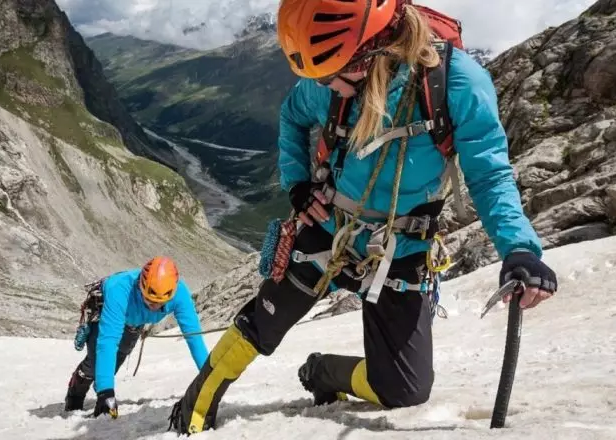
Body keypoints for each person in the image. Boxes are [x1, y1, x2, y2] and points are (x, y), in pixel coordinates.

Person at [167, 0, 558, 434]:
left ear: (376, 50)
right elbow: (293, 115)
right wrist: (298, 186)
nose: (326, 86)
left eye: (334, 74)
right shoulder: (335, 78)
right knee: (264, 322)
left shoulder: (455, 84)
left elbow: (489, 174)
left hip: (402, 249)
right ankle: (195, 404)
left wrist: (519, 248)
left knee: (405, 389)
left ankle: (323, 373)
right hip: (330, 231)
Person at [64, 256, 209, 418]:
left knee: (120, 355)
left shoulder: (180, 294)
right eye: (149, 300)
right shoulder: (119, 289)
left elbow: (194, 337)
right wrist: (106, 393)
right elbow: (108, 342)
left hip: (134, 321)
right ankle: (75, 393)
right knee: (95, 360)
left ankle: (101, 382)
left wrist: (209, 378)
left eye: (159, 303)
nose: (153, 307)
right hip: (106, 309)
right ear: (140, 286)